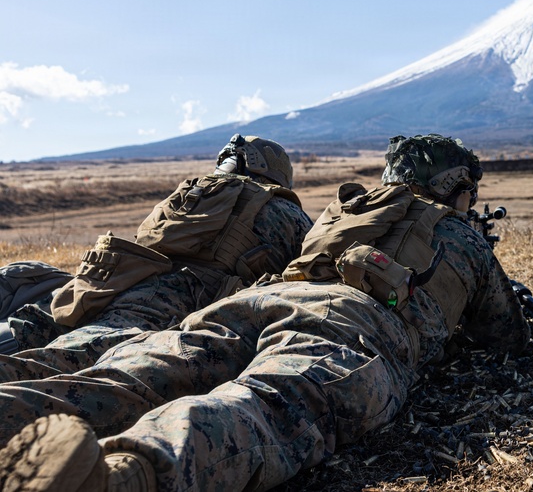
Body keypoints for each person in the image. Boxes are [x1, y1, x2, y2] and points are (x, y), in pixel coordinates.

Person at [0, 133, 529, 492]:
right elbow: (504, 336)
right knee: (266, 404)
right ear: (458, 189)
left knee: (131, 373)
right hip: (353, 324)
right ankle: (126, 474)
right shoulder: (463, 237)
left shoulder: (346, 209)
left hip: (250, 302)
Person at [0, 134, 314, 382]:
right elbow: (311, 266)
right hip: (183, 299)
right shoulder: (283, 211)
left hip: (125, 279)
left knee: (38, 323)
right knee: (79, 353)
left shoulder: (196, 190)